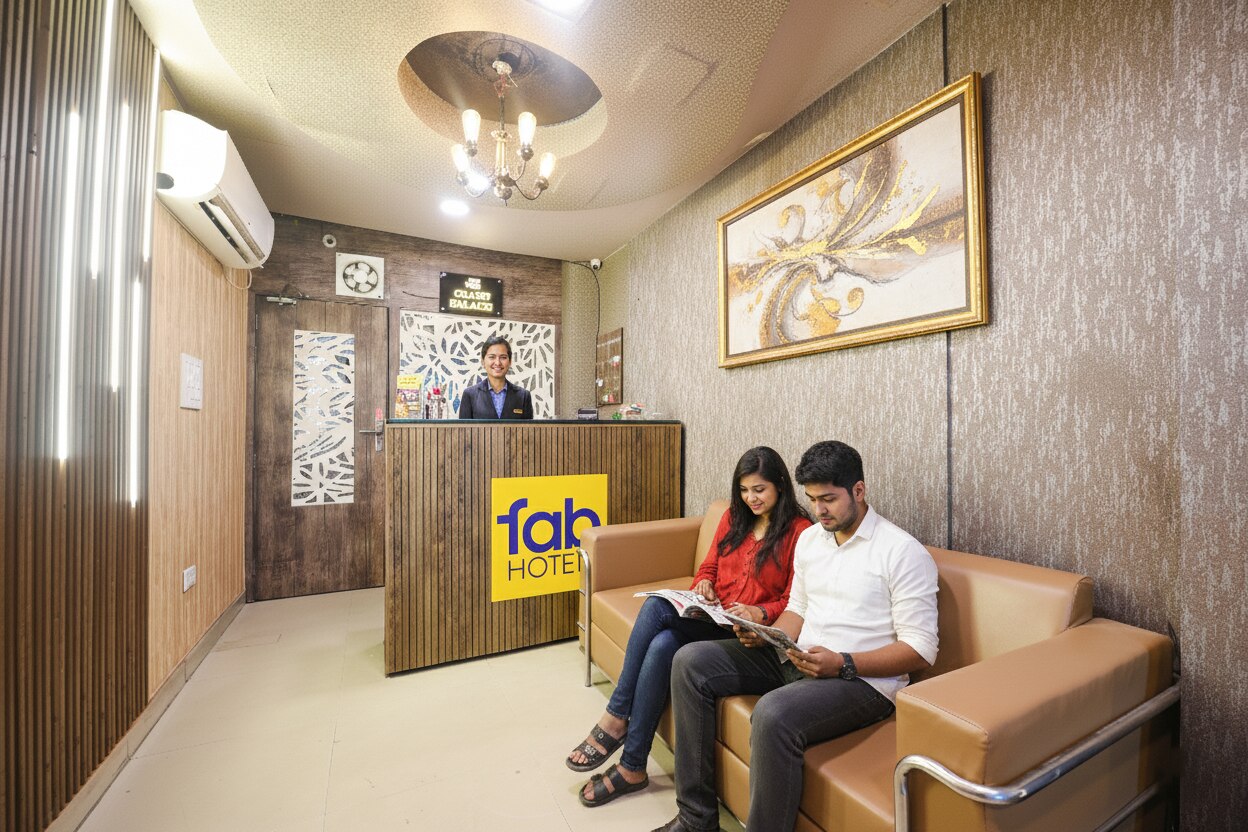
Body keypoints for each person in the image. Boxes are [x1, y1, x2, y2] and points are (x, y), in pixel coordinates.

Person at [653, 440, 939, 832]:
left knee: (772, 713)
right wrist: (768, 635)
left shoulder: (901, 552)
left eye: (829, 499)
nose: (819, 510)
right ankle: (695, 818)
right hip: (797, 656)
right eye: (812, 499)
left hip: (861, 681)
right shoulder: (811, 540)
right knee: (690, 662)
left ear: (859, 490)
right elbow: (797, 609)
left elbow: (921, 649)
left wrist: (844, 663)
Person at [566, 447, 812, 809]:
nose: (751, 498)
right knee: (662, 639)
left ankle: (617, 721)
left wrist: (760, 612)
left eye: (759, 490)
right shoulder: (734, 517)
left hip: (746, 632)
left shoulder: (800, 532)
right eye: (744, 490)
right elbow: (709, 566)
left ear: (779, 485)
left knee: (658, 620)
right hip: (714, 616)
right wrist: (704, 584)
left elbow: (794, 599)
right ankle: (632, 765)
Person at [457, 335, 533, 419]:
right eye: (492, 357)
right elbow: (464, 428)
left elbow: (528, 428)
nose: (497, 363)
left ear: (510, 361)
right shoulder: (470, 395)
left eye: (503, 357)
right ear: (483, 361)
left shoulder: (523, 396)